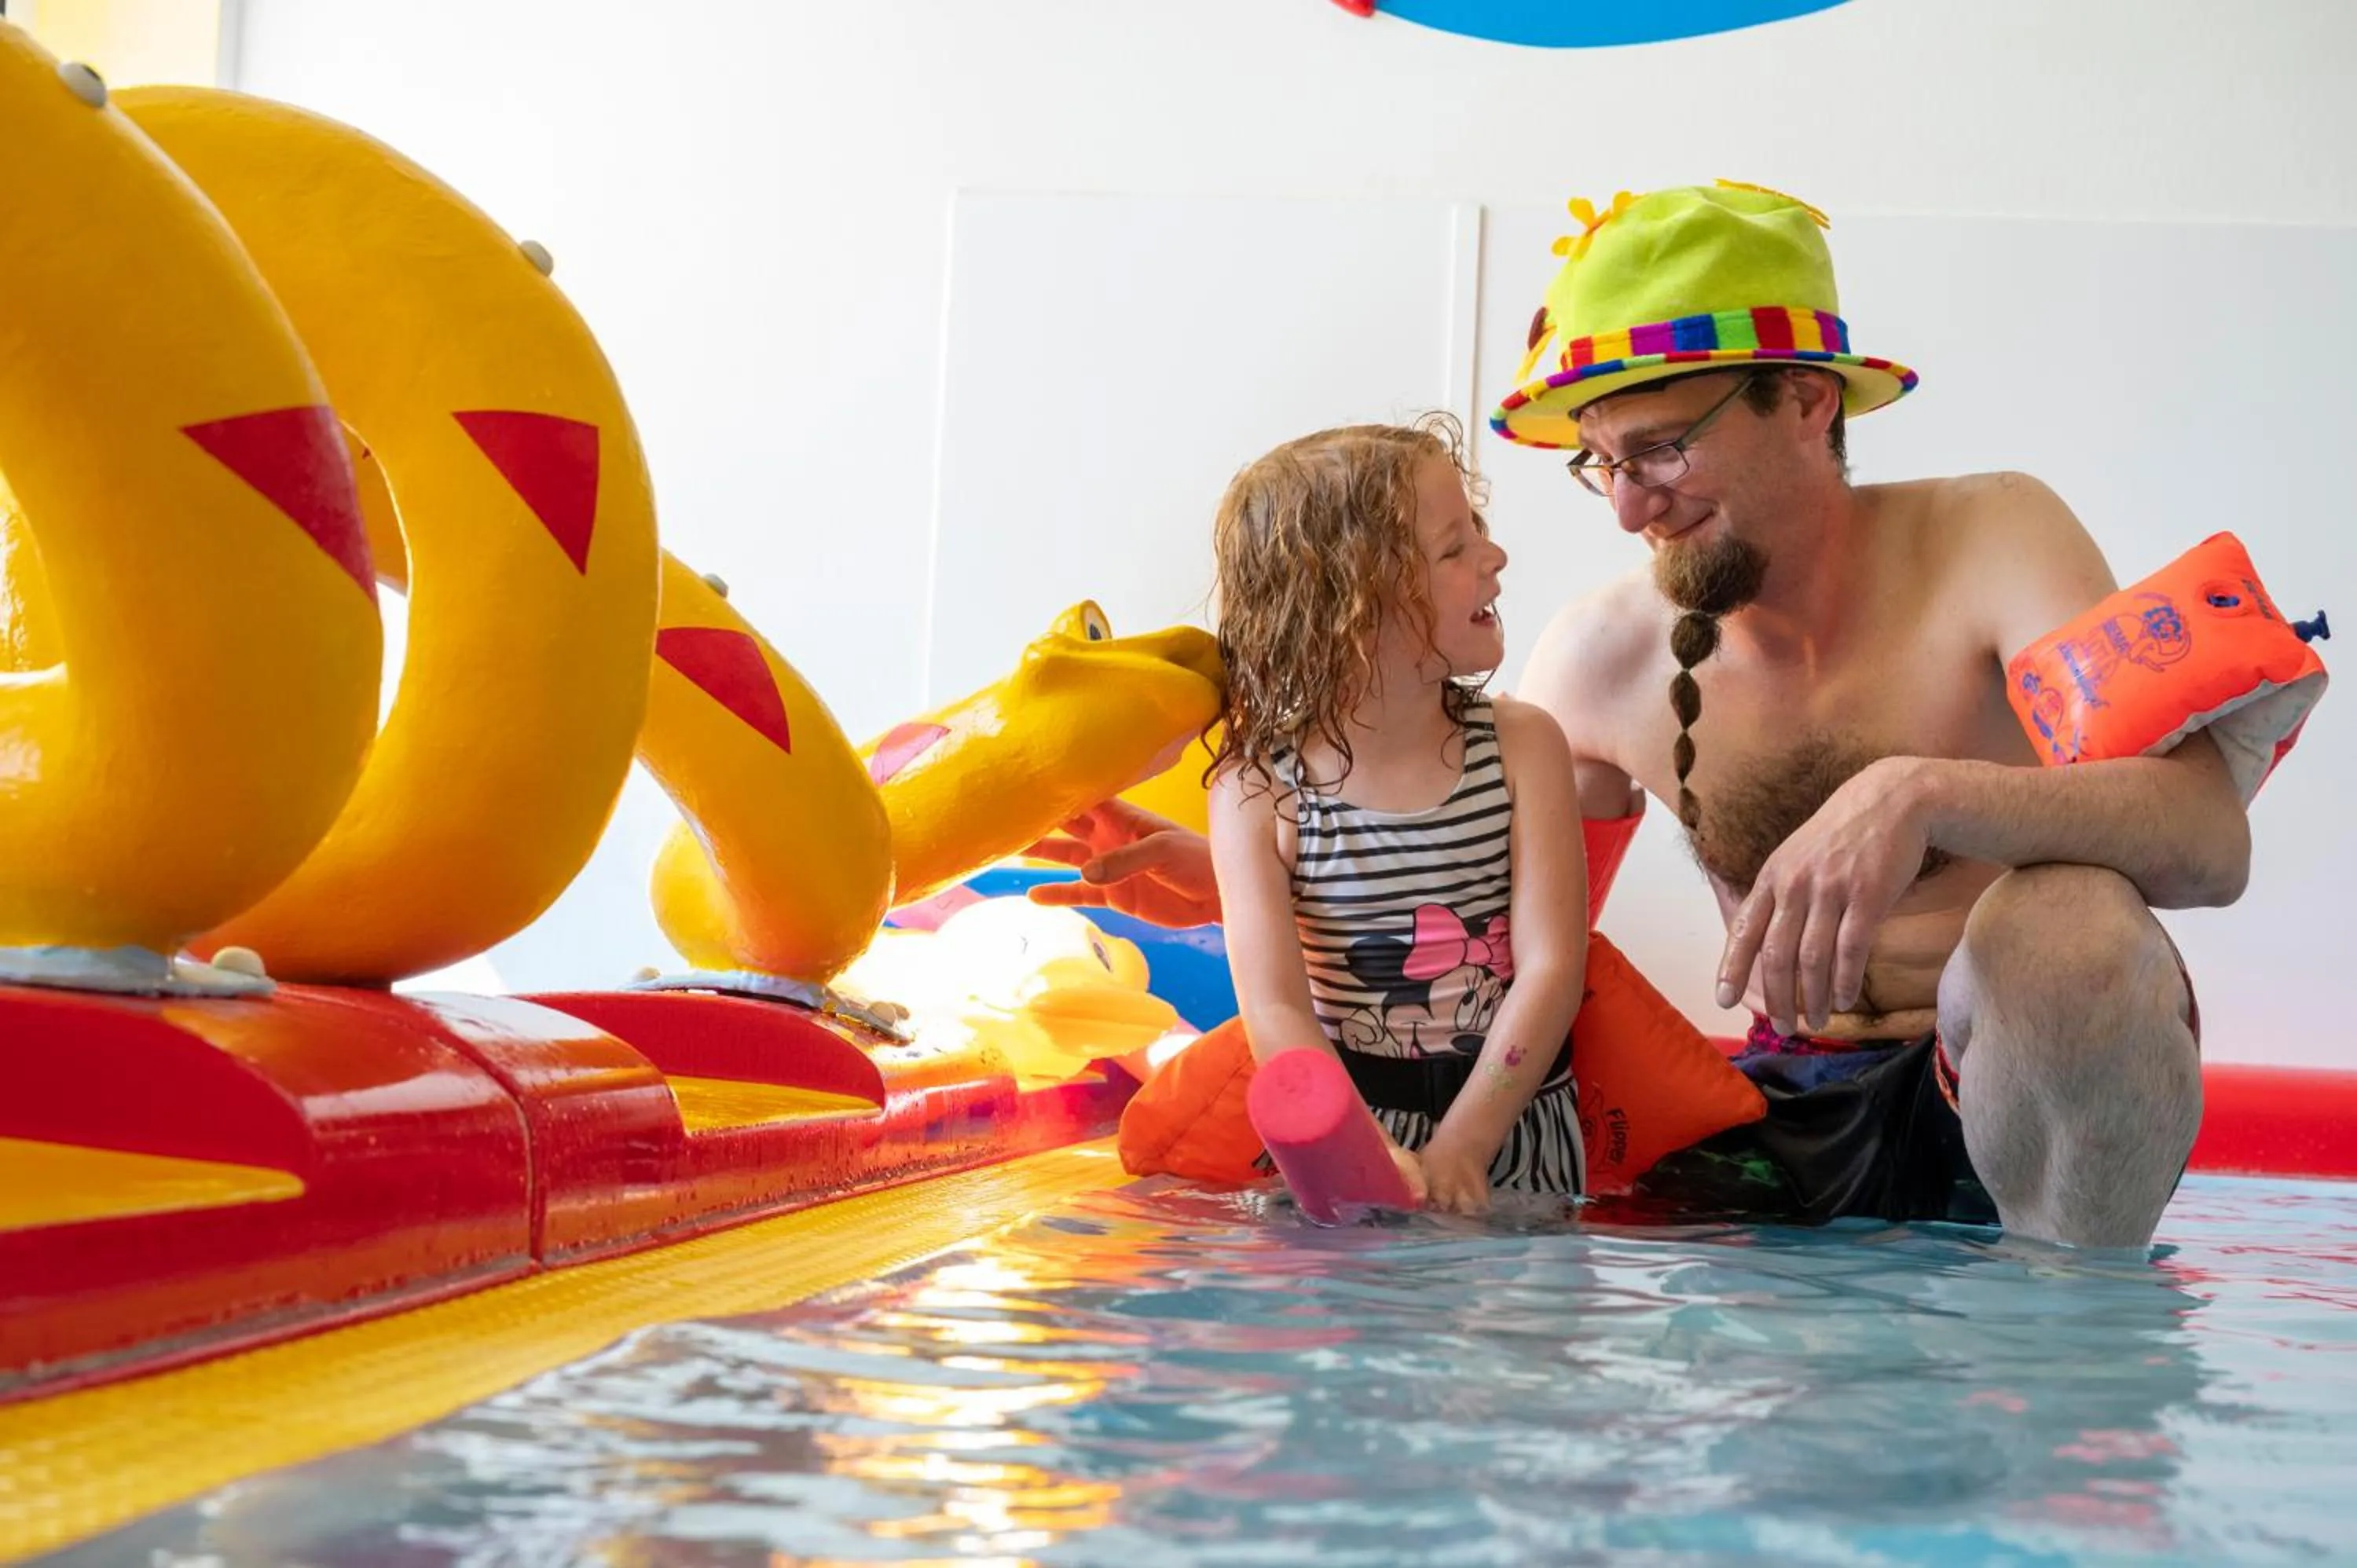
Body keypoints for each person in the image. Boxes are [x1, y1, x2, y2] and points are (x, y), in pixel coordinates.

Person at [1037, 182, 2253, 1251]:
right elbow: (1488, 919)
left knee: (2069, 928)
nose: (1627, 510)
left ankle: (2071, 1343)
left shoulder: (1996, 539)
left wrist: (1920, 793)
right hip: (1780, 1114)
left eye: (1663, 450)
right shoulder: (1600, 658)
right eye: (1601, 463)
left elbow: (2209, 838)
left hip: (1999, 1091)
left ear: (1807, 402)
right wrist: (1244, 878)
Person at [1193, 416, 1590, 1215]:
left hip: (1511, 1121)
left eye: (1478, 530)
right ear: (1353, 607)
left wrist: (1468, 1142)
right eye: (1454, 548)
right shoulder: (1258, 791)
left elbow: (1553, 966)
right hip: (1355, 1130)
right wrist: (1363, 1154)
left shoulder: (1522, 747)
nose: (1495, 556)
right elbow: (1276, 1009)